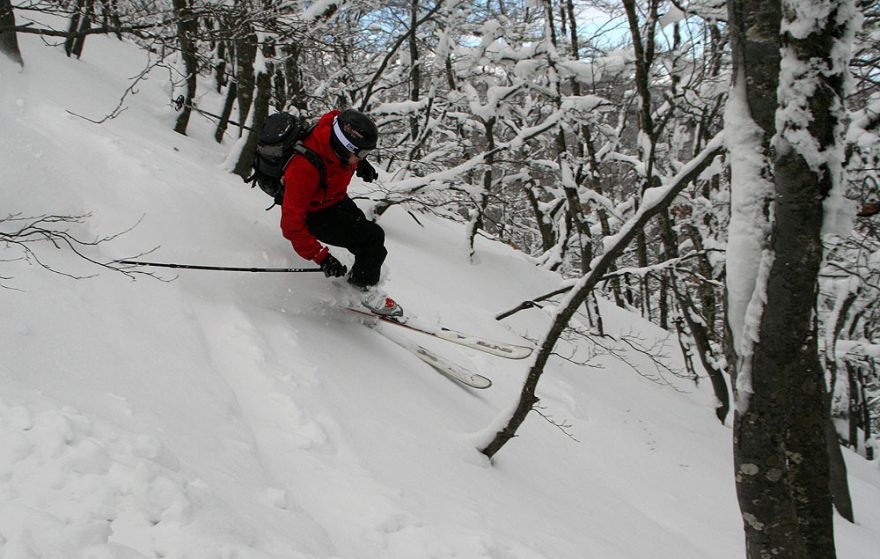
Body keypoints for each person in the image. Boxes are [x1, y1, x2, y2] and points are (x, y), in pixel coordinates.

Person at [280, 108, 402, 317]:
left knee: (364, 233)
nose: (362, 157)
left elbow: (341, 120)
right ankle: (360, 292)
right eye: (360, 154)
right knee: (373, 238)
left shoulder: (335, 133)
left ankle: (355, 280)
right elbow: (291, 225)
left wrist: (362, 164)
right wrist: (321, 257)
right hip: (314, 215)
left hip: (333, 199)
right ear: (343, 149)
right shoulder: (304, 169)